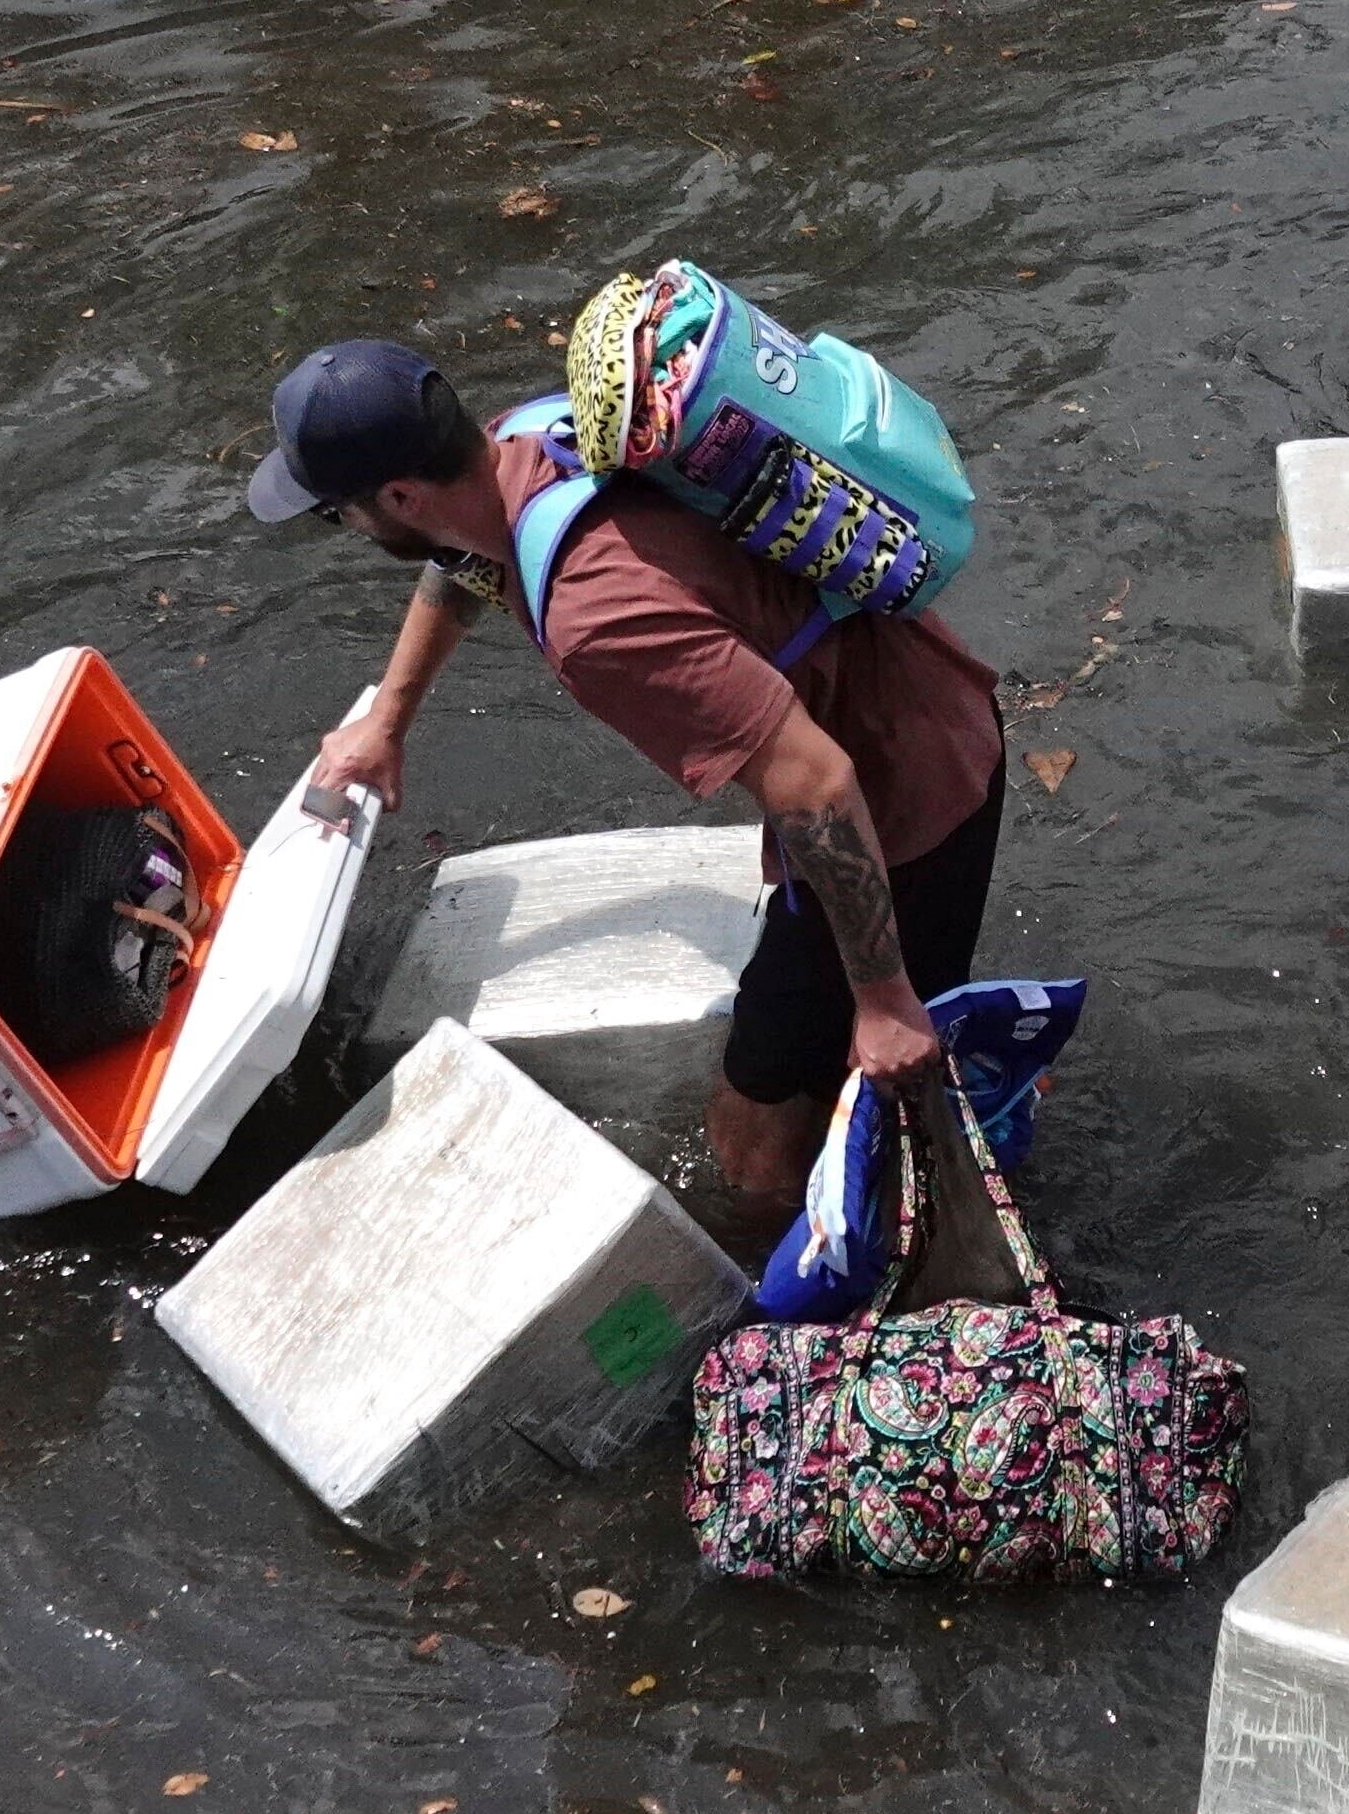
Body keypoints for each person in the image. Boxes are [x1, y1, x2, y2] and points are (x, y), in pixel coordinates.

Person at [250, 337, 999, 1201]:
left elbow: (819, 784)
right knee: (830, 1076)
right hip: (922, 695)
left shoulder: (595, 618)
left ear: (400, 495)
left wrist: (883, 996)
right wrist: (388, 720)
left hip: (907, 795)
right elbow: (459, 566)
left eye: (332, 513)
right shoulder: (533, 439)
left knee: (761, 1146)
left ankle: (891, 1274)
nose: (340, 528)